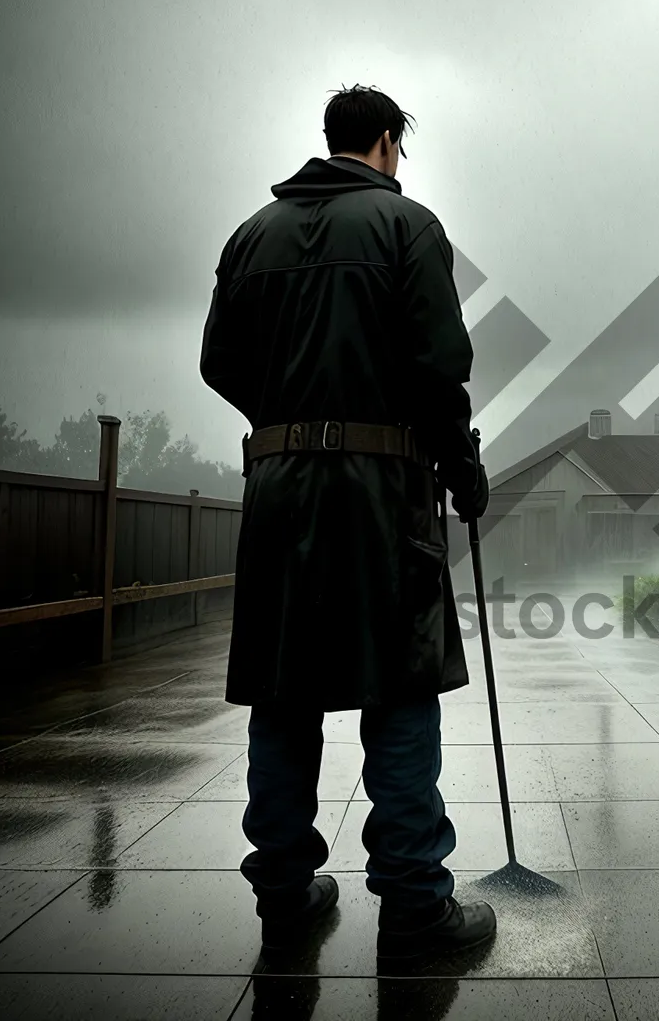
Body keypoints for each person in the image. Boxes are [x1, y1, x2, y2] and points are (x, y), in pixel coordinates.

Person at [199, 84, 494, 958]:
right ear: (387, 142)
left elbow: (219, 363)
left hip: (279, 487)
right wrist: (461, 466)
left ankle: (285, 893)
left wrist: (292, 423)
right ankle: (412, 903)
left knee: (281, 687)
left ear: (330, 139)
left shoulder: (250, 236)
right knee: (399, 686)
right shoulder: (410, 228)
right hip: (381, 491)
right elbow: (441, 368)